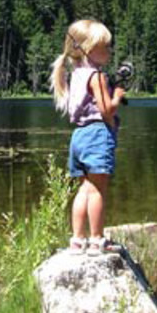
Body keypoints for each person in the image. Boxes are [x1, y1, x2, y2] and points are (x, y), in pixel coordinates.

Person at [50, 19, 126, 255]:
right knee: (97, 190)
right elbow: (106, 110)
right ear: (89, 49)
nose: (110, 51)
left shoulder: (77, 75)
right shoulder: (97, 77)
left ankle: (77, 240)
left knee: (84, 189)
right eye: (106, 46)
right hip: (96, 135)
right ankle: (96, 240)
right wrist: (118, 95)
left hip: (79, 137)